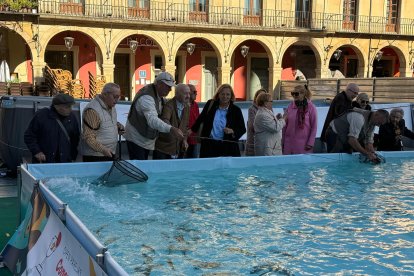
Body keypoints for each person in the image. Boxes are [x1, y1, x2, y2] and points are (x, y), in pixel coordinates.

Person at [124, 72, 184, 160]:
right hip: (136, 138)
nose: (170, 90)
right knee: (138, 167)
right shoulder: (146, 98)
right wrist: (171, 129)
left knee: (142, 165)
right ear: (159, 84)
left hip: (145, 139)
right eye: (168, 86)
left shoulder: (159, 96)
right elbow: (152, 120)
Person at [191, 84, 246, 158]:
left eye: (228, 94)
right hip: (209, 146)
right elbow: (201, 118)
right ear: (218, 94)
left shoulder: (236, 110)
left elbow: (242, 129)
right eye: (222, 94)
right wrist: (191, 130)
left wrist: (232, 131)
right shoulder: (210, 104)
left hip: (227, 147)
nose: (225, 96)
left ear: (231, 96)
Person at [24, 93, 80, 163]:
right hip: (45, 161)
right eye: (67, 107)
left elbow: (75, 139)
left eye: (71, 106)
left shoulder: (72, 118)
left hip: (65, 161)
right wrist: (37, 152)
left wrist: (72, 156)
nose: (70, 109)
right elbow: (29, 136)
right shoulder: (41, 116)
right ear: (57, 107)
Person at [82, 83, 124, 162]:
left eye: (119, 97)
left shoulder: (111, 106)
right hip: (95, 156)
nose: (117, 100)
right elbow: (88, 136)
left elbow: (106, 122)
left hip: (108, 152)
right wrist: (103, 150)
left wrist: (117, 126)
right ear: (104, 94)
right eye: (115, 97)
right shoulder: (92, 110)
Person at [153, 84, 190, 159]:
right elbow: (165, 120)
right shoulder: (169, 105)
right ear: (177, 94)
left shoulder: (187, 107)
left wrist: (184, 140)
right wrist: (173, 129)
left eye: (189, 93)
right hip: (163, 149)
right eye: (185, 93)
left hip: (178, 149)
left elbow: (185, 127)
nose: (188, 96)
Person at [282, 85, 318, 154]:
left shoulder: (311, 107)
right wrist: (282, 142)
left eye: (296, 94)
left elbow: (314, 127)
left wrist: (310, 143)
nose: (294, 96)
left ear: (303, 94)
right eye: (292, 93)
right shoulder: (290, 106)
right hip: (289, 144)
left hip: (304, 145)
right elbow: (285, 126)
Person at [245, 88, 268, 156]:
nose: (262, 97)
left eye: (264, 96)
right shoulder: (252, 109)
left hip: (265, 143)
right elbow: (252, 126)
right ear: (256, 97)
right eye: (260, 95)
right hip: (253, 143)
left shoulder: (269, 109)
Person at [185, 84, 200, 158]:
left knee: (194, 161)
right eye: (194, 92)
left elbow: (197, 120)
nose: (196, 93)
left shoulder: (195, 105)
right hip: (184, 139)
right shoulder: (183, 105)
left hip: (194, 139)